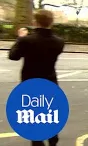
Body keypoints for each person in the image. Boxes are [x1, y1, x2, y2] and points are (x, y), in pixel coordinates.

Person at [8, 9, 65, 146]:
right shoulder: (59, 42)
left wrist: (20, 38)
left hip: (31, 82)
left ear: (35, 22)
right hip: (50, 81)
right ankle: (53, 139)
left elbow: (13, 56)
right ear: (51, 23)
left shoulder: (27, 40)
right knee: (49, 112)